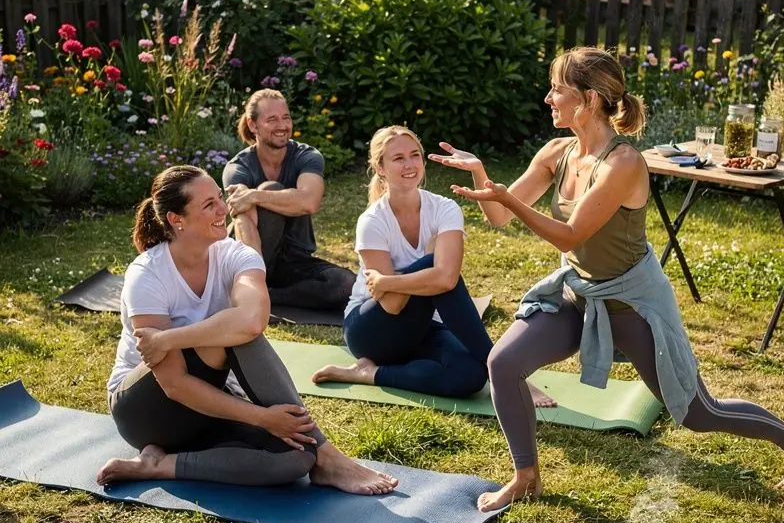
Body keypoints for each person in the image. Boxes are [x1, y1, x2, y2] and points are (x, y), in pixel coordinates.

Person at [431, 47, 784, 511]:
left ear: (589, 99)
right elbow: (498, 215)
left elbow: (571, 234)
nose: (549, 98)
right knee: (503, 362)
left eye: (558, 89)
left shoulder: (624, 163)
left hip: (633, 303)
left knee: (697, 413)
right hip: (579, 292)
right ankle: (526, 476)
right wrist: (483, 177)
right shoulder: (558, 151)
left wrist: (509, 201)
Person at [97, 164, 398, 496]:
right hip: (147, 412)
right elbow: (175, 384)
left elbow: (254, 320)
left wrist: (169, 338)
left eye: (219, 198)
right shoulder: (148, 275)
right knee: (236, 338)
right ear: (176, 219)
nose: (222, 209)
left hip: (209, 406)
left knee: (297, 459)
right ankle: (329, 455)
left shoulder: (236, 255)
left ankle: (161, 465)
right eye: (207, 204)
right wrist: (261, 418)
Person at [312, 125, 492, 397]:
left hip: (420, 326)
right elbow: (393, 304)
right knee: (433, 265)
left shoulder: (445, 209)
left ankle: (369, 373)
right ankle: (503, 371)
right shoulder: (372, 222)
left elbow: (446, 278)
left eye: (415, 155)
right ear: (380, 168)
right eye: (398, 158)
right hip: (371, 330)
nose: (409, 165)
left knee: (470, 376)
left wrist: (388, 281)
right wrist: (429, 269)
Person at [223, 88, 355, 311]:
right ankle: (255, 290)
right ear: (253, 125)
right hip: (254, 258)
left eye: (286, 117)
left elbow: (309, 201)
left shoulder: (307, 156)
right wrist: (253, 275)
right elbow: (243, 221)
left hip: (295, 261)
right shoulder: (238, 168)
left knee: (347, 286)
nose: (282, 125)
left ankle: (270, 297)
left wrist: (255, 195)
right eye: (272, 119)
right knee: (272, 188)